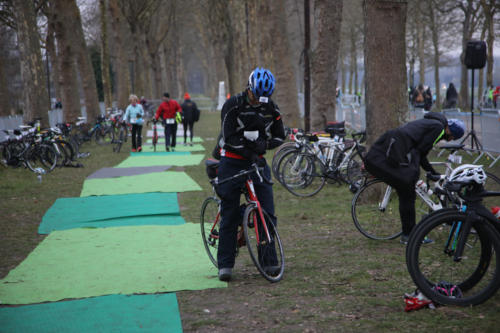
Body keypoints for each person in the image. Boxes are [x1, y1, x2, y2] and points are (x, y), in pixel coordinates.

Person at [216, 67, 285, 281]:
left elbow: (280, 136)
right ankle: (225, 264)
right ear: (249, 88)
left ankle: (269, 260)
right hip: (232, 161)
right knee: (229, 214)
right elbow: (227, 137)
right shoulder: (233, 105)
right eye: (256, 96)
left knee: (267, 212)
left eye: (264, 98)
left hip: (257, 161)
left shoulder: (270, 107)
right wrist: (248, 149)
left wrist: (264, 145)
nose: (259, 102)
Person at [364, 112, 466, 244]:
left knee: (406, 192)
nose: (450, 139)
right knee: (407, 191)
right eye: (451, 136)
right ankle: (409, 235)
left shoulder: (432, 123)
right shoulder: (438, 129)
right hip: (394, 149)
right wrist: (417, 172)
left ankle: (409, 234)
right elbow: (419, 152)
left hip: (388, 146)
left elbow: (420, 151)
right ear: (449, 131)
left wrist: (430, 171)